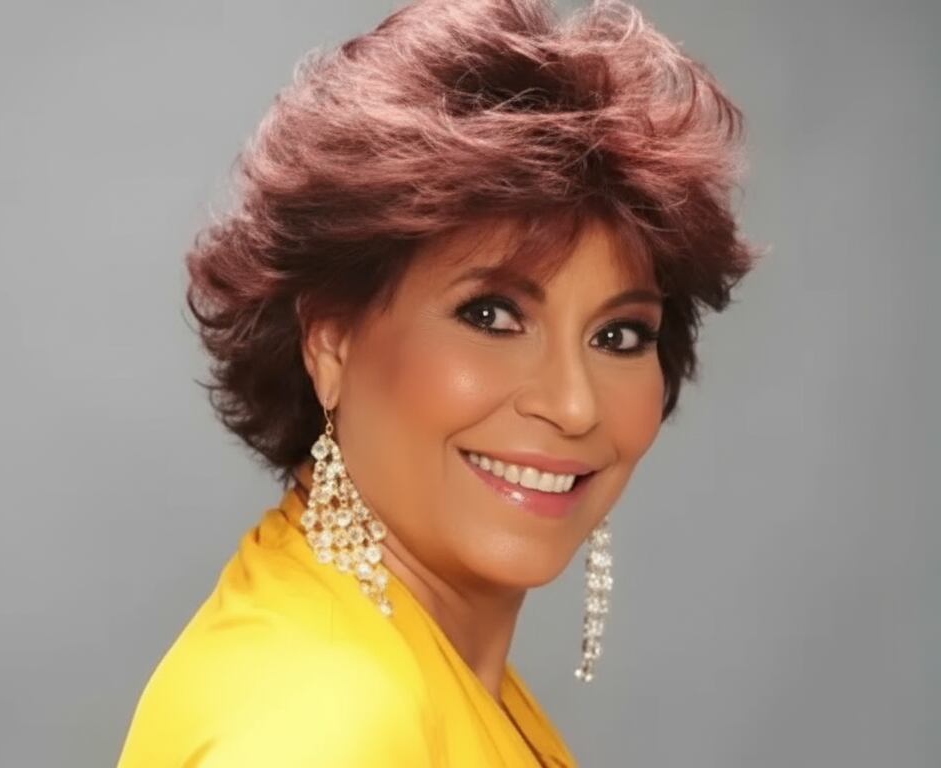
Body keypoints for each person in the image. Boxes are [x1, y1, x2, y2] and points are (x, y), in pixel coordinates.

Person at [118, 0, 754, 764]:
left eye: (618, 336)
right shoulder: (326, 729)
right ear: (331, 342)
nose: (573, 405)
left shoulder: (392, 654)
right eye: (491, 316)